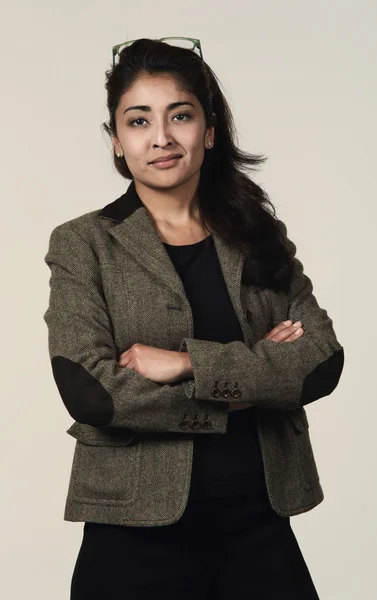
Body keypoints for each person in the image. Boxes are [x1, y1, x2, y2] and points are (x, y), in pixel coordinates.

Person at [43, 37, 345, 599]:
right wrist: (253, 383)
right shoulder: (83, 244)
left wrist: (185, 364)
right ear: (116, 141)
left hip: (261, 521)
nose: (161, 137)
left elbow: (320, 362)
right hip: (132, 531)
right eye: (138, 120)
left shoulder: (255, 232)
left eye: (180, 115)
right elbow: (93, 393)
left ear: (208, 132)